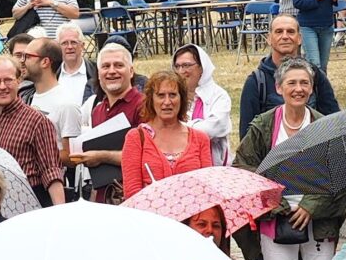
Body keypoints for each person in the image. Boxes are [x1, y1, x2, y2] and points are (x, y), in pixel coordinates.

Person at [234, 58, 346, 260]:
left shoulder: (325, 126)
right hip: (277, 220)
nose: (299, 89)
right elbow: (243, 167)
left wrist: (311, 205)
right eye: (292, 83)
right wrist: (278, 204)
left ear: (312, 88)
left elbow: (340, 174)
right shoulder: (264, 126)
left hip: (319, 222)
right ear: (279, 88)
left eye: (304, 83)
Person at [0, 56, 68, 206]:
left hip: (26, 204)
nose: (2, 86)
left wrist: (60, 211)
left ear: (18, 81)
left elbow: (52, 172)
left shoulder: (37, 121)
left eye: (8, 80)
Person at [63, 42, 145, 202]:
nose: (112, 71)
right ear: (99, 74)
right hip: (103, 198)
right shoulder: (97, 110)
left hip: (133, 197)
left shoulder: (143, 106)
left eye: (119, 65)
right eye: (106, 66)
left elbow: (146, 156)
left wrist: (102, 156)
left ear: (131, 71)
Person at [236, 14, 341, 135]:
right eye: (279, 32)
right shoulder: (257, 82)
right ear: (269, 38)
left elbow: (334, 122)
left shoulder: (315, 75)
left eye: (290, 32)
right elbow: (247, 136)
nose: (285, 36)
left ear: (299, 38)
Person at [121, 69, 213, 199]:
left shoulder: (200, 139)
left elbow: (207, 190)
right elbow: (132, 193)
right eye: (161, 95)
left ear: (182, 99)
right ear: (151, 100)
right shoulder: (136, 138)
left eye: (173, 95)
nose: (167, 102)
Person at [170, 45, 232, 165]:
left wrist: (178, 128)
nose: (181, 71)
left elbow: (213, 128)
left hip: (213, 167)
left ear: (202, 68)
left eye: (186, 65)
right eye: (177, 66)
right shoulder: (172, 96)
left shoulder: (218, 95)